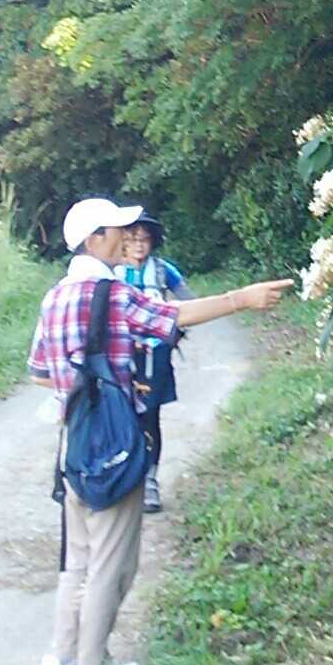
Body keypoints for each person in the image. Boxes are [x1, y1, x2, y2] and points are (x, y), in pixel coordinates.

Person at [29, 196, 291, 665]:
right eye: (117, 231)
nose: (127, 237)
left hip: (74, 444)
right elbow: (173, 315)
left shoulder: (54, 296)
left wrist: (81, 386)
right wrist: (241, 298)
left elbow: (41, 373)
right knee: (112, 563)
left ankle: (59, 660)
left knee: (77, 560)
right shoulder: (111, 293)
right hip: (115, 444)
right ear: (93, 240)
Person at [115, 212, 194, 515]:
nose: (138, 245)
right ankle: (125, 477)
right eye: (132, 239)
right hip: (121, 354)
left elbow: (188, 302)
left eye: (144, 239)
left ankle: (149, 480)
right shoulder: (112, 272)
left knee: (149, 416)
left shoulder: (163, 270)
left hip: (155, 354)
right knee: (120, 413)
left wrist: (175, 333)